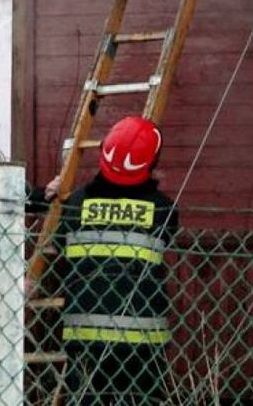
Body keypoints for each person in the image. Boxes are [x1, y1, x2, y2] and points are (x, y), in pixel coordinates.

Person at [56, 115, 177, 405]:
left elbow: (61, 244)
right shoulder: (161, 208)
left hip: (85, 337)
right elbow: (166, 234)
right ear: (150, 162)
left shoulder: (76, 202)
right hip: (141, 343)